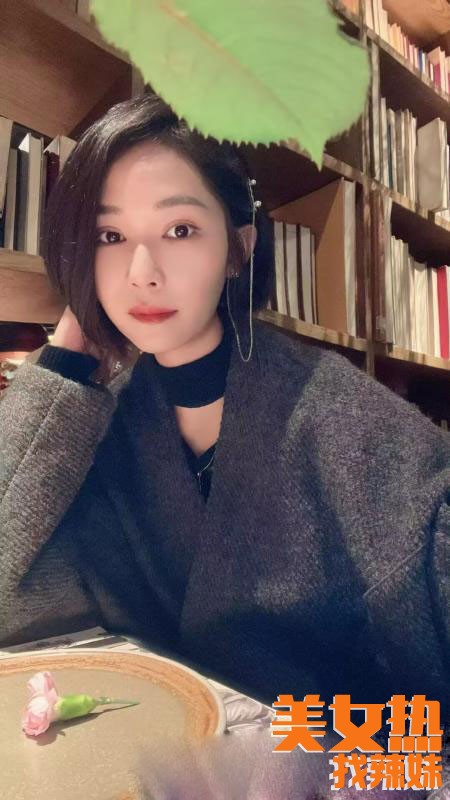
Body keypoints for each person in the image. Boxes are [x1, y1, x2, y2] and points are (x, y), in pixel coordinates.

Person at [1, 93, 449, 752]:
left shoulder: (354, 429)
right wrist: (64, 365)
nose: (141, 273)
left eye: (180, 230)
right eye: (109, 236)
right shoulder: (98, 423)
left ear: (238, 249)